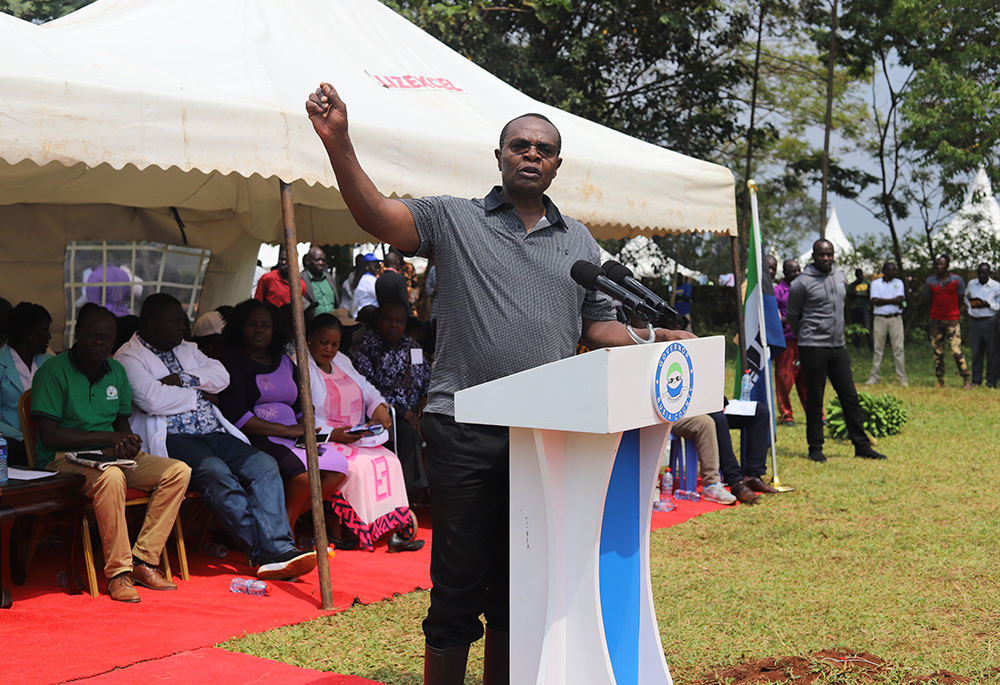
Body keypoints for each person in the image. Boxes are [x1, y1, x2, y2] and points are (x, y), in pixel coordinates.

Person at [307, 82, 694, 684]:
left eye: (543, 148)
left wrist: (657, 343)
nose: (531, 154)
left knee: (520, 581)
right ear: (500, 156)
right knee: (459, 579)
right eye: (520, 145)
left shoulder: (580, 242)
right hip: (463, 426)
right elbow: (377, 214)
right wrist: (339, 143)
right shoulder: (455, 218)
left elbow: (600, 329)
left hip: (545, 431)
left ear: (557, 164)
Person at [116, 294, 316, 581]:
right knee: (216, 472)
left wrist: (183, 381)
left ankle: (279, 548)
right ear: (152, 323)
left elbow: (221, 377)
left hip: (215, 431)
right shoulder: (128, 357)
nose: (183, 329)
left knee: (264, 465)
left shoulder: (188, 348)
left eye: (183, 322)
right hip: (174, 437)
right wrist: (200, 391)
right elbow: (152, 400)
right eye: (175, 323)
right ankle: (268, 553)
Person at [31, 304, 191, 602]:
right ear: (77, 334)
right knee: (112, 477)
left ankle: (143, 560)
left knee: (178, 470)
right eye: (91, 335)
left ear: (114, 340)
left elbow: (121, 426)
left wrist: (127, 442)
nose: (99, 342)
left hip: (107, 456)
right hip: (60, 459)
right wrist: (111, 437)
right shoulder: (53, 371)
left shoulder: (116, 371)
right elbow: (49, 435)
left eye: (106, 338)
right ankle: (119, 573)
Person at [217, 299, 348, 535]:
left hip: (293, 436)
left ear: (274, 330)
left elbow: (301, 406)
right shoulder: (231, 362)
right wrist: (288, 431)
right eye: (252, 324)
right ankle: (282, 535)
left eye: (265, 325)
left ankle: (277, 526)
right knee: (303, 478)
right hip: (256, 438)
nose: (259, 330)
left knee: (339, 468)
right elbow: (237, 416)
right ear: (240, 327)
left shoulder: (286, 362)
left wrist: (303, 427)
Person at [306, 313, 424, 553]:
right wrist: (333, 434)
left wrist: (378, 405)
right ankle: (354, 529)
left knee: (390, 461)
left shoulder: (342, 361)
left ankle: (392, 530)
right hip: (326, 436)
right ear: (309, 338)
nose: (329, 349)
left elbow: (364, 385)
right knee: (358, 468)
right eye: (323, 342)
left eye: (335, 344)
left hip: (354, 435)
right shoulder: (300, 364)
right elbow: (305, 415)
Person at [786, 240, 886, 463]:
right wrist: (806, 335)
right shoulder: (801, 283)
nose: (826, 258)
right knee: (815, 398)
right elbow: (793, 316)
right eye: (822, 255)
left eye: (830, 254)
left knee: (849, 396)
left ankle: (861, 446)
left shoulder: (840, 277)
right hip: (813, 346)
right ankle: (815, 448)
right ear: (814, 256)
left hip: (838, 346)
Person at [350, 299, 431, 501]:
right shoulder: (364, 347)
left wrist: (425, 400)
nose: (394, 325)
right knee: (407, 433)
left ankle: (434, 489)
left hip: (416, 411)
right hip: (386, 414)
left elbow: (426, 379)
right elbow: (366, 389)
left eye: (399, 321)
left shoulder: (412, 346)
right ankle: (411, 491)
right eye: (388, 319)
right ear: (378, 320)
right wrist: (404, 412)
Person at [0, 302, 53, 466]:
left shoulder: (50, 363)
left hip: (47, 437)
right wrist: (23, 437)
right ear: (28, 333)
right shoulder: (1, 363)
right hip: (14, 441)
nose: (50, 336)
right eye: (44, 330)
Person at [669, 414, 760, 505]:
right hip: (662, 414)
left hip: (685, 410)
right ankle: (729, 480)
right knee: (709, 421)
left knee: (760, 411)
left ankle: (711, 486)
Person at [922, 255, 972, 389]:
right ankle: (940, 380)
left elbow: (961, 299)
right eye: (937, 264)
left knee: (956, 349)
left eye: (942, 264)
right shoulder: (930, 281)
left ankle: (966, 378)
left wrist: (953, 312)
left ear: (947, 265)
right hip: (936, 320)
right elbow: (928, 300)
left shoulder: (957, 280)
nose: (939, 267)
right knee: (937, 351)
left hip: (952, 320)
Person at [773, 259, 808, 426]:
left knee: (807, 379)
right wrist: (793, 320)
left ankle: (815, 414)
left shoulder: (804, 288)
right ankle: (786, 415)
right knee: (784, 379)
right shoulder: (778, 291)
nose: (797, 274)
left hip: (806, 340)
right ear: (785, 273)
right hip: (787, 341)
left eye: (798, 270)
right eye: (793, 271)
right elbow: (776, 318)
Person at [866, 262, 908, 387]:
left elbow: (900, 299)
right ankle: (874, 376)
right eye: (891, 270)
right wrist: (893, 301)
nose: (894, 273)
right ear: (884, 271)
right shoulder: (876, 284)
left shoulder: (898, 283)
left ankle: (902, 377)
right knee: (878, 349)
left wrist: (883, 300)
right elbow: (875, 301)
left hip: (895, 319)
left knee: (898, 349)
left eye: (895, 270)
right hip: (880, 319)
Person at [964, 262, 1000, 388]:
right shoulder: (972, 284)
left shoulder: (996, 286)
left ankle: (991, 381)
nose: (982, 275)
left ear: (989, 273)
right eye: (979, 272)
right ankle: (976, 380)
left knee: (992, 352)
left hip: (990, 320)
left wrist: (989, 305)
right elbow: (966, 297)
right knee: (976, 352)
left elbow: (999, 304)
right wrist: (971, 306)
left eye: (984, 272)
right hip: (975, 321)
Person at [301, 245, 338, 316]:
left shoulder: (329, 278)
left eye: (323, 260)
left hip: (332, 321)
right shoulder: (300, 280)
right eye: (317, 260)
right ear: (307, 261)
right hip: (313, 324)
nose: (321, 263)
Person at [847, 268, 872, 350]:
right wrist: (855, 286)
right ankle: (857, 346)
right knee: (855, 327)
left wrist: (858, 295)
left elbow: (870, 295)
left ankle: (871, 346)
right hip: (855, 308)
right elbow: (849, 295)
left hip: (865, 308)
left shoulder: (867, 283)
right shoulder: (853, 284)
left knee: (867, 327)